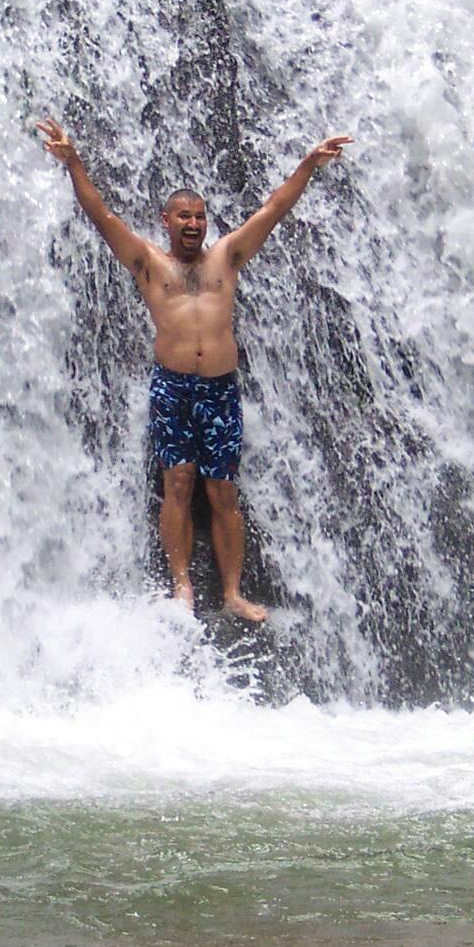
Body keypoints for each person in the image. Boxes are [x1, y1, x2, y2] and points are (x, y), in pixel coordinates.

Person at [37, 116, 352, 622]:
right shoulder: (148, 263)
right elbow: (101, 216)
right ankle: (182, 587)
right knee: (177, 483)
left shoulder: (227, 257)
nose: (193, 224)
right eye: (183, 216)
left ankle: (232, 594)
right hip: (172, 388)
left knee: (223, 489)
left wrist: (309, 164)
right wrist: (73, 162)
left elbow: (274, 208)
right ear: (166, 220)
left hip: (220, 391)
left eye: (200, 217)